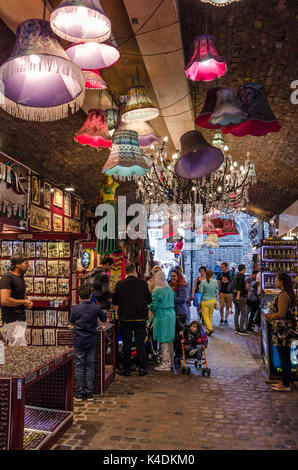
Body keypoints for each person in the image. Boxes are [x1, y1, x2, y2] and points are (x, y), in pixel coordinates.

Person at [112, 262, 152, 377]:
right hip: (140, 317)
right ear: (135, 270)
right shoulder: (143, 284)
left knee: (127, 344)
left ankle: (127, 369)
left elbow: (114, 301)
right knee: (140, 343)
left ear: (125, 271)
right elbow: (149, 300)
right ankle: (142, 368)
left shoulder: (120, 284)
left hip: (125, 318)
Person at [69, 285, 107, 402]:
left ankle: (79, 393)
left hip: (79, 340)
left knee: (79, 366)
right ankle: (90, 393)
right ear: (91, 296)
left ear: (79, 296)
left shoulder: (75, 308)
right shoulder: (96, 308)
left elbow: (71, 321)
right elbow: (104, 318)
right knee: (90, 366)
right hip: (91, 340)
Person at [265, 273, 296, 392]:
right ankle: (284, 381)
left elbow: (282, 314)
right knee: (284, 357)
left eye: (277, 280)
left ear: (282, 281)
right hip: (283, 329)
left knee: (284, 357)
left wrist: (270, 316)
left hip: (283, 331)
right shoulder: (286, 294)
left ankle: (286, 384)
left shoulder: (283, 295)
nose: (275, 282)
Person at [0, 255, 33, 346]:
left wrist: (26, 303)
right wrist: (24, 302)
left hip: (20, 319)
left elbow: (19, 297)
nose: (28, 265)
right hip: (12, 320)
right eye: (26, 263)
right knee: (19, 348)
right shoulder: (7, 278)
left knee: (20, 347)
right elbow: (4, 300)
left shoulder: (20, 277)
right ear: (18, 265)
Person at [148, 271, 176, 371]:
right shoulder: (169, 289)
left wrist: (147, 306)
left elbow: (154, 305)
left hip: (162, 316)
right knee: (170, 340)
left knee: (163, 340)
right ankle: (171, 362)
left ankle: (166, 363)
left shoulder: (157, 290)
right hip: (171, 316)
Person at [199, 270, 218, 336]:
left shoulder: (203, 282)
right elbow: (216, 291)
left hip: (205, 301)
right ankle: (207, 331)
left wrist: (199, 287)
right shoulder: (215, 282)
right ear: (212, 274)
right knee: (210, 316)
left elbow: (200, 292)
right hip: (212, 300)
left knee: (205, 316)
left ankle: (210, 328)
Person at [233, 264, 249, 335]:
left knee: (237, 312)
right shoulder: (242, 275)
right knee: (244, 312)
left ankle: (237, 328)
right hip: (240, 296)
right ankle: (241, 329)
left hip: (234, 296)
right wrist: (238, 296)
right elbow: (239, 287)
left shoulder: (236, 274)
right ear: (243, 269)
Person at [217, 262, 233, 326]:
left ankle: (226, 320)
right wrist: (218, 291)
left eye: (223, 267)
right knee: (221, 306)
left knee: (227, 307)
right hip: (222, 292)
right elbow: (218, 282)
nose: (222, 268)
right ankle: (221, 318)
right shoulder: (220, 274)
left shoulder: (231, 273)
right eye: (221, 267)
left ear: (226, 267)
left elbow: (233, 282)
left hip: (229, 292)